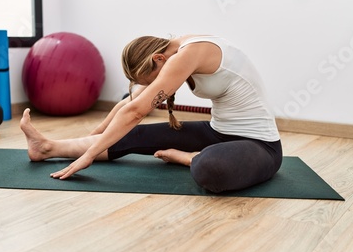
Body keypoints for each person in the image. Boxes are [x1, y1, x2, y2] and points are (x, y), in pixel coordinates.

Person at [20, 34, 282, 193]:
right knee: (133, 135)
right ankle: (47, 148)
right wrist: (95, 136)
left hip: (260, 145)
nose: (155, 85)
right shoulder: (176, 50)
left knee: (210, 169)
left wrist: (88, 156)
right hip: (217, 132)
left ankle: (189, 159)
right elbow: (129, 104)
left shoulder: (190, 53)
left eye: (152, 79)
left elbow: (136, 110)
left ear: (158, 59)